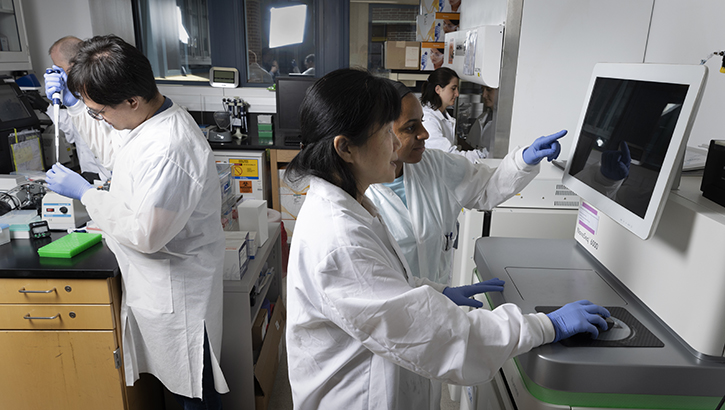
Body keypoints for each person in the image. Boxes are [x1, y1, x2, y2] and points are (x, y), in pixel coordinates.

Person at [284, 67, 610, 410]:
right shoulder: (340, 238)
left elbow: (388, 288)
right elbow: (437, 334)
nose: (397, 143)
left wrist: (438, 292)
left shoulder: (349, 206)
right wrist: (546, 326)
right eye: (387, 131)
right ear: (346, 148)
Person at [43, 35, 228, 409]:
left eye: (101, 111)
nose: (102, 119)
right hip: (157, 289)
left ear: (131, 100)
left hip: (178, 296)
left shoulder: (170, 147)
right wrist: (76, 107)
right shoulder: (146, 120)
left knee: (193, 391)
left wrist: (86, 194)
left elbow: (145, 235)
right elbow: (113, 148)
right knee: (180, 388)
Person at [367, 80, 564, 288]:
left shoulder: (435, 166)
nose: (424, 134)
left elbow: (486, 189)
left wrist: (524, 160)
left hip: (439, 306)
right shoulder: (358, 195)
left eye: (422, 122)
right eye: (410, 127)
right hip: (394, 314)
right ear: (380, 134)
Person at [46, 36, 112, 183]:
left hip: (111, 177)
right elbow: (75, 131)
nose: (58, 75)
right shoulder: (77, 96)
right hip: (92, 175)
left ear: (74, 66)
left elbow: (109, 144)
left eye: (59, 69)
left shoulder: (106, 95)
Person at [421, 67, 488, 162]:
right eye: (453, 89)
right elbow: (449, 156)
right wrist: (482, 154)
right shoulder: (428, 119)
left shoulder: (443, 115)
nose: (457, 94)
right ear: (438, 89)